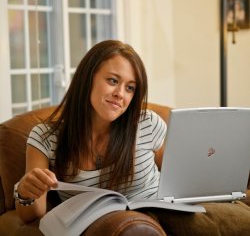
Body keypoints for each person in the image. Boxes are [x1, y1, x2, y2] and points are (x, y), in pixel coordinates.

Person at [14, 40, 167, 223]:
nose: (120, 93)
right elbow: (32, 215)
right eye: (113, 80)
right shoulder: (45, 138)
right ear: (88, 78)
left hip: (162, 219)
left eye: (130, 88)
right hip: (99, 228)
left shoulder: (147, 124)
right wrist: (24, 191)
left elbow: (178, 178)